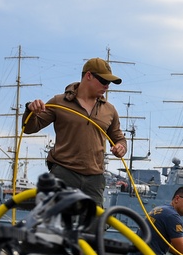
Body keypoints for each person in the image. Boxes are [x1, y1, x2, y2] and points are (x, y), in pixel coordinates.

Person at [23, 57, 127, 207]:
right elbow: (29, 128)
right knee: (57, 223)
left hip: (95, 179)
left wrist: (121, 147)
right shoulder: (59, 102)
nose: (107, 86)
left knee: (94, 226)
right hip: (64, 174)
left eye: (109, 83)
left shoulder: (109, 110)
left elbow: (119, 138)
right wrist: (30, 110)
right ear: (89, 76)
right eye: (104, 81)